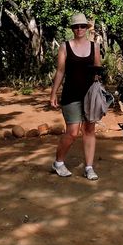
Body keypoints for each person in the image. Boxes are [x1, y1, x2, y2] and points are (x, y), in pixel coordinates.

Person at [49, 12, 103, 181]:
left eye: (82, 26)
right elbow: (60, 71)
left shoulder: (95, 47)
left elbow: (97, 70)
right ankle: (58, 163)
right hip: (70, 94)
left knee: (89, 130)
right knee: (72, 132)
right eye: (76, 26)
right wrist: (53, 94)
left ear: (87, 28)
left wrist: (99, 91)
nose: (79, 29)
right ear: (72, 29)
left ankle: (89, 167)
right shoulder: (65, 46)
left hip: (89, 95)